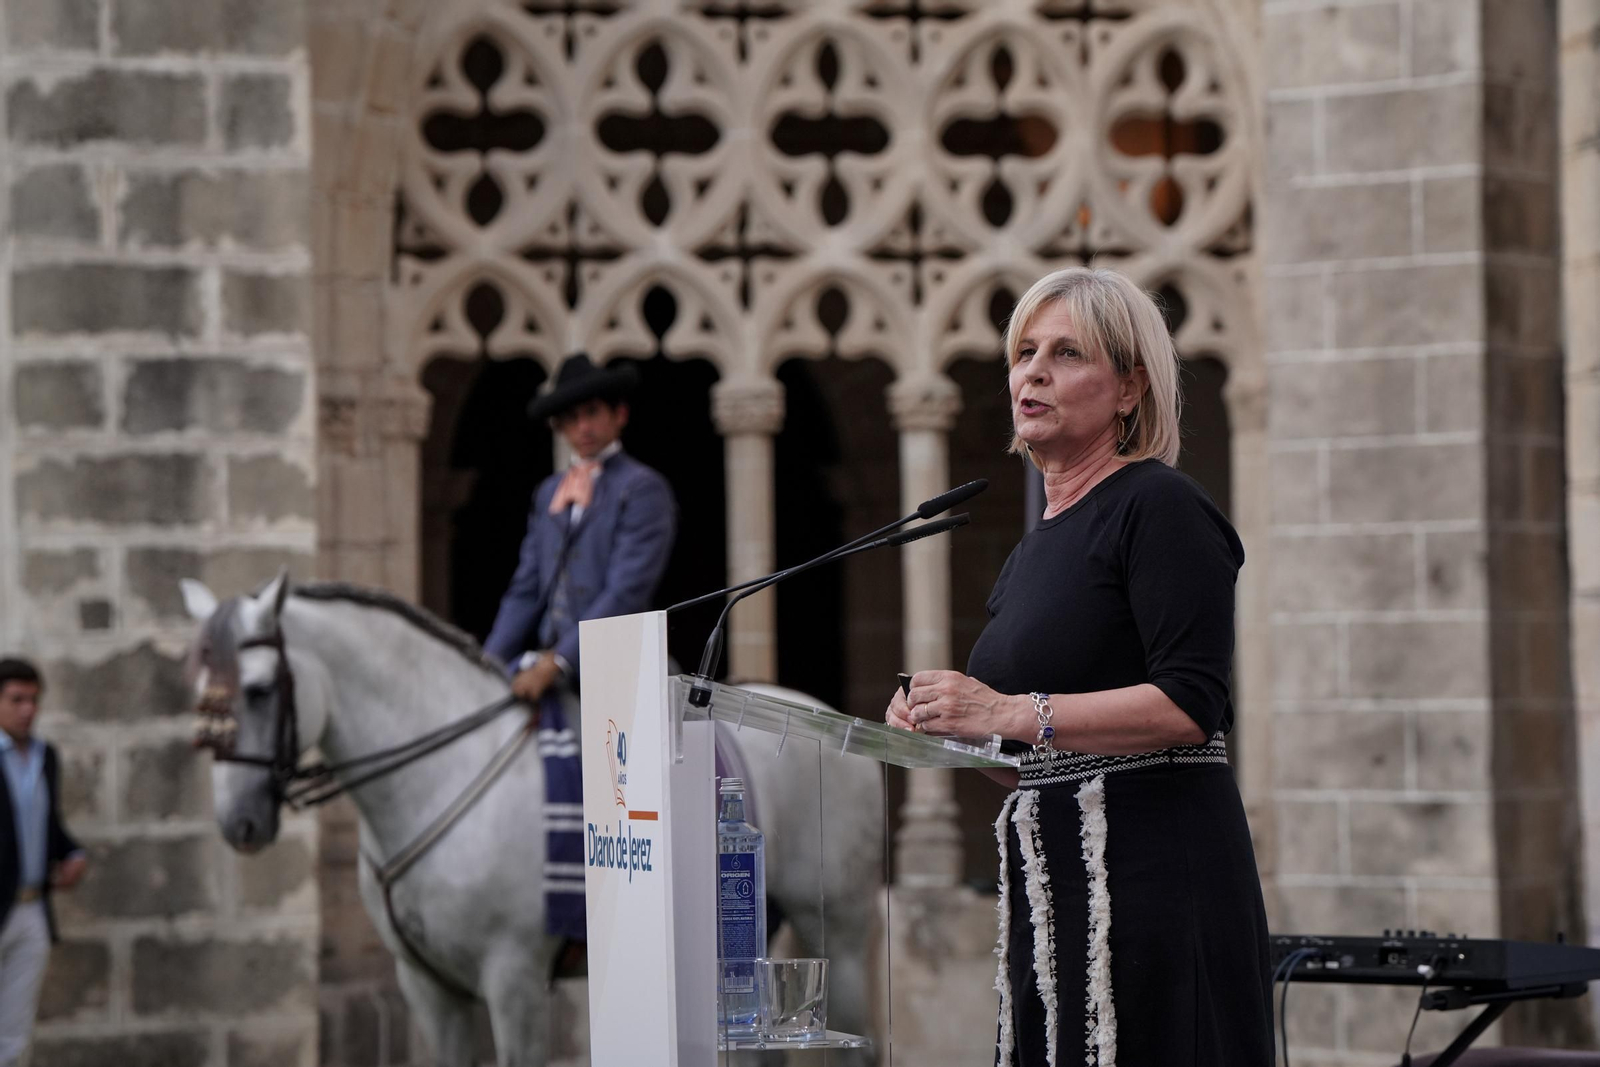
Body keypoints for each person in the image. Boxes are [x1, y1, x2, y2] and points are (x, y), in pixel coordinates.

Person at [885, 268, 1273, 1066]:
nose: (1032, 371)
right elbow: (1041, 759)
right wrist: (946, 733)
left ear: (1130, 387)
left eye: (1065, 353)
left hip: (1156, 885)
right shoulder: (1034, 550)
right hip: (1054, 890)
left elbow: (1192, 702)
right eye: (1024, 351)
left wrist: (1004, 711)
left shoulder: (1159, 506)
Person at [484, 352, 676, 942]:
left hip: (618, 662)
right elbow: (523, 586)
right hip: (547, 664)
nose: (582, 428)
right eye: (570, 420)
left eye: (592, 414)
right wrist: (487, 662)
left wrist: (560, 659)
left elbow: (625, 588)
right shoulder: (550, 493)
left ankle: (644, 898)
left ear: (617, 415)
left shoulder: (641, 489)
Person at [0, 658, 87, 1067]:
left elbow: (46, 825)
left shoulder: (44, 756)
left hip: (32, 907)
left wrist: (72, 853)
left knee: (13, 1035)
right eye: (16, 699)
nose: (27, 710)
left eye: (34, 700)